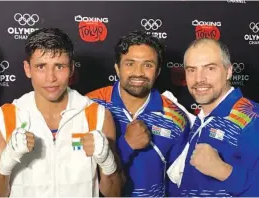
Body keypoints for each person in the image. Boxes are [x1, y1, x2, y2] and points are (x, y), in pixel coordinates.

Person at [0, 28, 124, 197]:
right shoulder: (7, 117)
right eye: (41, 66)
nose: (51, 78)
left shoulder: (97, 115)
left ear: (71, 68)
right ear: (27, 69)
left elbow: (115, 193)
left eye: (59, 66)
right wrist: (6, 162)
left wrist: (107, 161)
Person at [86, 30, 190, 197]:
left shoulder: (175, 118)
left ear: (157, 71)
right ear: (117, 69)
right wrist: (126, 145)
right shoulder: (90, 105)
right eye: (130, 63)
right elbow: (76, 169)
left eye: (148, 65)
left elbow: (179, 183)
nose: (139, 72)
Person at [167, 38, 259, 196]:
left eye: (210, 68)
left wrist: (223, 171)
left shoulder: (251, 119)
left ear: (228, 71)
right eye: (191, 70)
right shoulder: (201, 119)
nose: (199, 79)